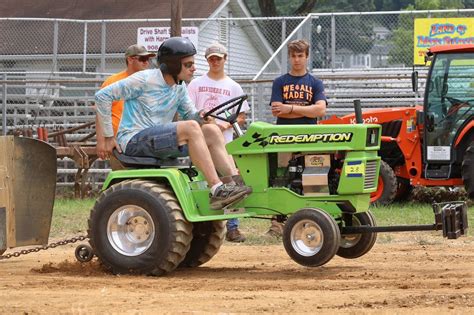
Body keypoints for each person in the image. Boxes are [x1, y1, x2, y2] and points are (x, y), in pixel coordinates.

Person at [95, 37, 251, 210]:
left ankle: (232, 186)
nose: (194, 68)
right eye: (188, 64)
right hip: (134, 140)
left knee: (211, 130)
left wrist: (200, 116)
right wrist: (109, 136)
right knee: (191, 127)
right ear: (173, 65)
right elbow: (102, 96)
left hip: (157, 141)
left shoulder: (179, 87)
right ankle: (216, 188)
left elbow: (190, 115)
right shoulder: (144, 80)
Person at [187, 42, 250, 243]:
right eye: (211, 58)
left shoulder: (233, 86)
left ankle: (233, 227)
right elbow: (188, 112)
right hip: (201, 140)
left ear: (225, 59)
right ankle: (206, 228)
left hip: (225, 141)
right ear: (207, 61)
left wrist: (223, 126)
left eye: (218, 58)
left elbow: (241, 116)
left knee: (231, 180)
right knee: (209, 182)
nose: (215, 62)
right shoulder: (196, 84)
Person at [268, 39, 327, 237]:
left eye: (300, 55)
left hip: (309, 137)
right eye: (293, 56)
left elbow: (320, 109)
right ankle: (277, 222)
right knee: (280, 176)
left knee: (312, 177)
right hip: (284, 137)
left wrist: (291, 108)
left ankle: (312, 220)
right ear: (289, 57)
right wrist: (305, 111)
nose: (297, 60)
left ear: (307, 57)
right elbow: (277, 111)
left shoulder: (315, 83)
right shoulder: (280, 82)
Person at [95, 44, 156, 169]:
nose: (146, 63)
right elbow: (100, 113)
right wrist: (101, 141)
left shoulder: (151, 82)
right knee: (123, 177)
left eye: (148, 60)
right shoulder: (113, 82)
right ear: (130, 59)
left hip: (144, 140)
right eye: (143, 59)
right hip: (118, 142)